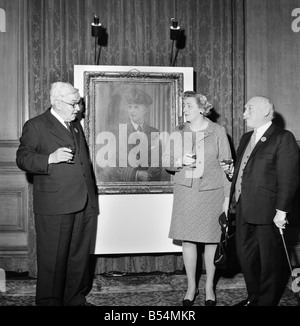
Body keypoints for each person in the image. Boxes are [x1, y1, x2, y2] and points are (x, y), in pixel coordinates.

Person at [16, 82, 99, 306]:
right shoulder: (36, 125)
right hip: (54, 205)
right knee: (53, 261)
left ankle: (74, 300)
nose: (78, 109)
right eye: (74, 104)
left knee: (78, 258)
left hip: (84, 203)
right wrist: (49, 158)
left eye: (79, 103)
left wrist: (92, 200)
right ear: (57, 102)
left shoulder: (74, 125)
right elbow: (22, 158)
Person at [222, 96, 299, 306]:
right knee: (246, 258)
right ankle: (253, 297)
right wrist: (232, 173)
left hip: (268, 211)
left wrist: (282, 210)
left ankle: (266, 302)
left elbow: (289, 177)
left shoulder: (283, 137)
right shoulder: (246, 137)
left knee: (270, 262)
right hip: (242, 208)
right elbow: (245, 171)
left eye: (249, 109)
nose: (244, 113)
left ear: (266, 111)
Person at [163, 91, 232, 306]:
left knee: (213, 240)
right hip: (187, 192)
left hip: (212, 192)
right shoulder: (178, 131)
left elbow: (226, 165)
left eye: (189, 105)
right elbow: (166, 162)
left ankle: (210, 286)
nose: (185, 109)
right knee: (188, 240)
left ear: (202, 108)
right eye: (184, 105)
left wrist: (228, 197)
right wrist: (179, 160)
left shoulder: (218, 131)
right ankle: (191, 287)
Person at [102, 87, 165, 182]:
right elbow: (110, 165)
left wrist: (149, 176)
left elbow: (158, 163)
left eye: (136, 107)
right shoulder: (117, 132)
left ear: (145, 110)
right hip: (125, 186)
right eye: (129, 107)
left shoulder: (154, 132)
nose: (131, 111)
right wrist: (136, 174)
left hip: (149, 186)